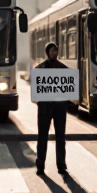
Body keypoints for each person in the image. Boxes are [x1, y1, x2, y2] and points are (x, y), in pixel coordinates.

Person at [35, 42, 68, 177]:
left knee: (60, 137)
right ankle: (40, 165)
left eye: (56, 51)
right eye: (52, 51)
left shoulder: (63, 68)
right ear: (47, 53)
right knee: (42, 136)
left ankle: (61, 165)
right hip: (45, 107)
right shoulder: (40, 69)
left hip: (58, 107)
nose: (54, 53)